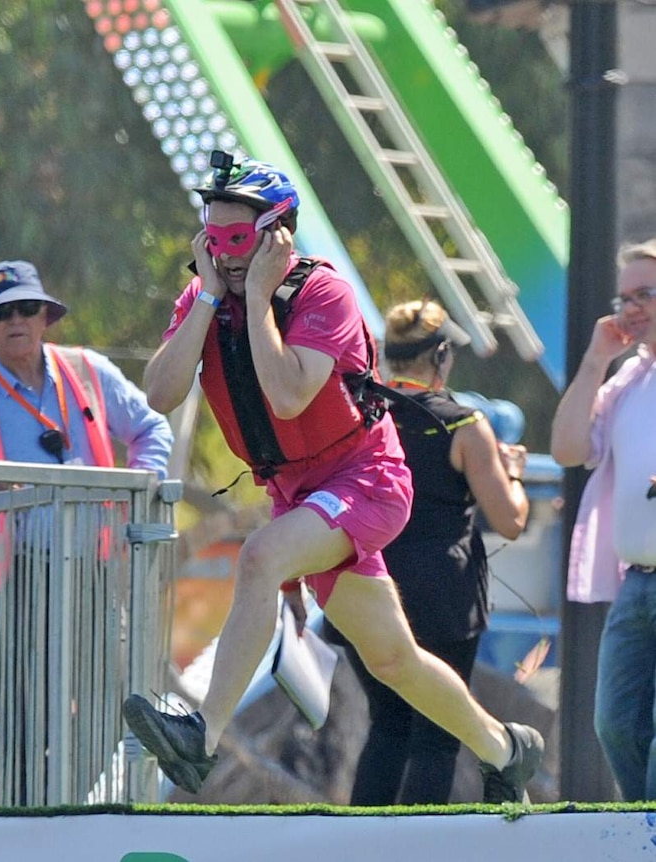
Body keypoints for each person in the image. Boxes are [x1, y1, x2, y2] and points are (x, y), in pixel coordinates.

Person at [121, 151, 544, 802]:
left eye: (239, 240)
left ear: (276, 235)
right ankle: (505, 750)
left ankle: (200, 739)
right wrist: (208, 296)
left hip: (367, 480)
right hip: (300, 493)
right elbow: (161, 392)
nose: (225, 255)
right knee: (393, 660)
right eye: (213, 237)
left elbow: (289, 397)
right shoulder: (208, 297)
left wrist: (257, 298)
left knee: (259, 557)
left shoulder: (324, 295)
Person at [0, 259, 172, 803]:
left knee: (112, 707)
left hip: (90, 574)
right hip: (6, 586)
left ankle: (66, 813)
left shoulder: (90, 372)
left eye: (26, 308)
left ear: (45, 317)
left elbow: (152, 427)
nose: (16, 320)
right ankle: (23, 832)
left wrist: (140, 486)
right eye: (1, 312)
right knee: (19, 726)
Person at [320, 299, 530, 805]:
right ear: (441, 357)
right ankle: (420, 850)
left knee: (387, 724)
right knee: (436, 735)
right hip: (442, 600)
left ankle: (364, 848)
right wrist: (514, 472)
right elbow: (511, 520)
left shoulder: (356, 415)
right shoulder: (463, 424)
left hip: (362, 587)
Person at [551, 238, 656, 801]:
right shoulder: (628, 380)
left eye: (646, 294)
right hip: (636, 585)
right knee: (614, 725)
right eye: (625, 298)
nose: (631, 309)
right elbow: (567, 449)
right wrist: (595, 361)